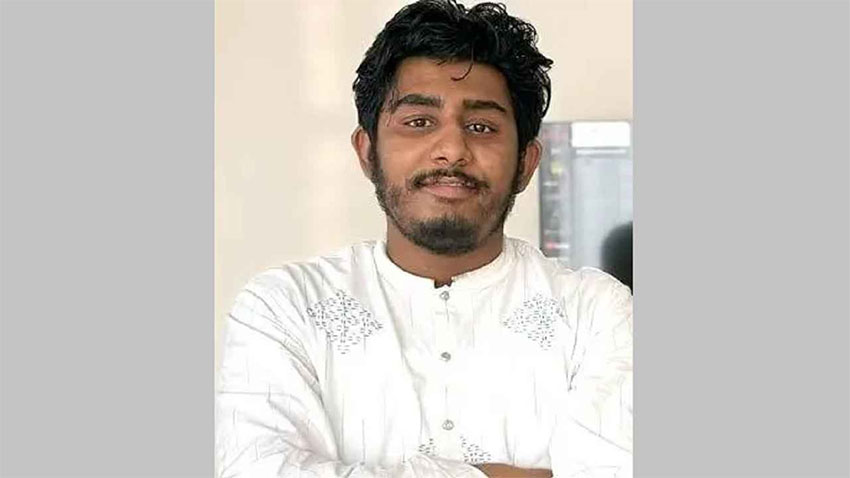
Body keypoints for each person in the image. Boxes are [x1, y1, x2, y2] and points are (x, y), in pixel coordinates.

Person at [215, 1, 633, 477]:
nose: (452, 150)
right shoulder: (283, 308)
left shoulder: (596, 313)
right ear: (367, 152)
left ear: (525, 163)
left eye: (481, 127)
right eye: (419, 122)